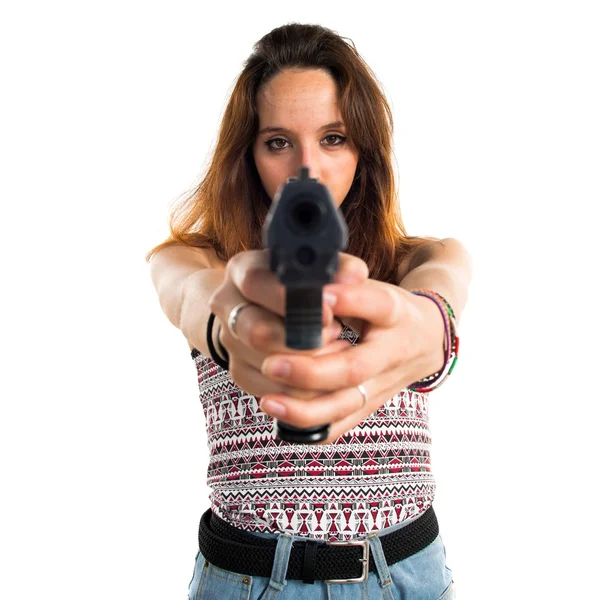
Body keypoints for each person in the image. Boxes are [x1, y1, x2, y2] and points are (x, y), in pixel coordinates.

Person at [146, 22, 472, 600]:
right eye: (278, 142)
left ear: (363, 151)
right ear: (247, 155)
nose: (307, 168)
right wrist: (234, 327)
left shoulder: (421, 257)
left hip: (408, 575)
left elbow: (439, 295)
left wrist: (425, 327)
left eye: (333, 138)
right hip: (251, 579)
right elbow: (192, 294)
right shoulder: (195, 258)